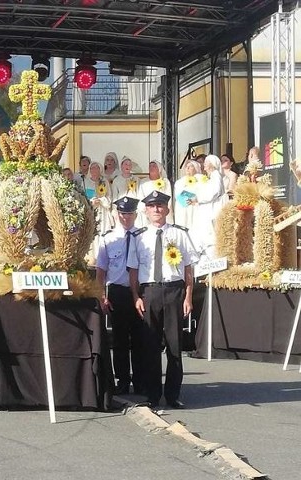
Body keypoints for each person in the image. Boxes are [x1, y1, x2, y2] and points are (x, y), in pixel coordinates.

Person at [127, 190, 197, 409]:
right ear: (146, 211)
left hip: (173, 291)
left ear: (167, 209)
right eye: (152, 206)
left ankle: (173, 394)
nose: (156, 209)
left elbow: (188, 268)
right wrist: (136, 296)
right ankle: (152, 394)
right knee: (150, 346)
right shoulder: (138, 236)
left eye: (160, 206)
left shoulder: (180, 234)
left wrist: (188, 296)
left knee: (175, 345)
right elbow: (133, 271)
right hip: (150, 293)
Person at [96, 196, 143, 395]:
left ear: (135, 215)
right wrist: (101, 296)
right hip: (117, 291)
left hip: (141, 291)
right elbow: (101, 271)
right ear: (116, 215)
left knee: (141, 338)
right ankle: (122, 380)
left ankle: (141, 380)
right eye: (122, 214)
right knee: (120, 339)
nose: (126, 217)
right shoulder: (107, 238)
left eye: (130, 214)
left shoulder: (143, 236)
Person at [188, 154, 227, 258]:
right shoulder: (211, 177)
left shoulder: (216, 174)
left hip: (213, 212)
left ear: (212, 165)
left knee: (212, 239)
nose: (203, 166)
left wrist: (198, 198)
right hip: (207, 211)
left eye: (206, 163)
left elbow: (214, 192)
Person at [137, 160, 173, 227]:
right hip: (147, 212)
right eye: (150, 166)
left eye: (154, 166)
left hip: (162, 211)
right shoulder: (143, 182)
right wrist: (145, 210)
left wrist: (165, 209)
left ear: (159, 169)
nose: (151, 168)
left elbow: (169, 197)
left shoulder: (165, 181)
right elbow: (140, 197)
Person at [173, 159, 202, 232]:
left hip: (195, 207)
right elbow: (177, 195)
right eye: (186, 166)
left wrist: (194, 199)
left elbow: (202, 193)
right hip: (183, 208)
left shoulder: (200, 180)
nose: (188, 168)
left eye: (191, 166)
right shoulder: (179, 182)